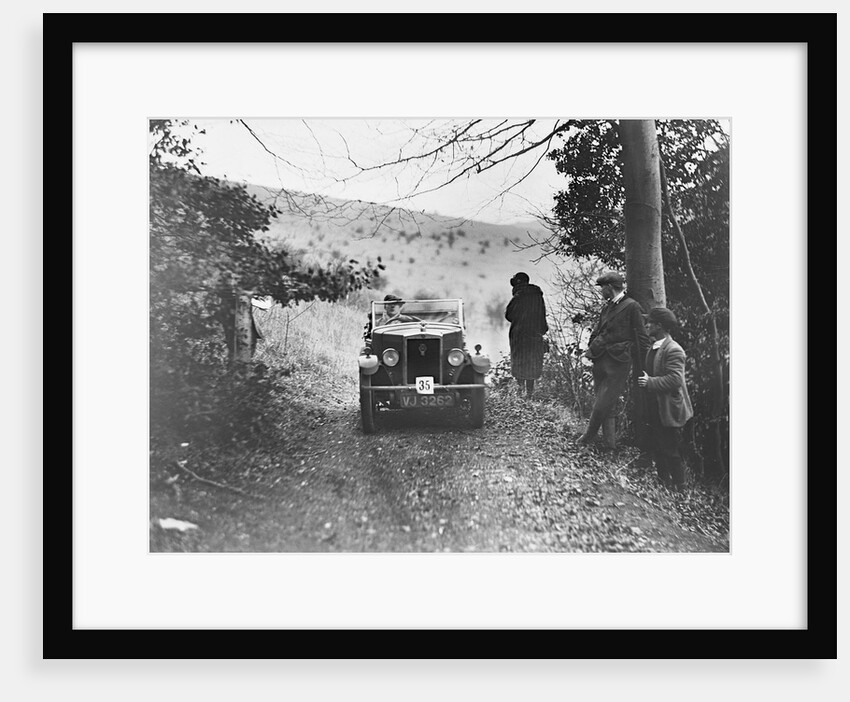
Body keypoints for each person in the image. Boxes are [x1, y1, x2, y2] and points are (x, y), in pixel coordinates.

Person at [576, 271, 650, 448]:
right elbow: (597, 330)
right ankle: (610, 446)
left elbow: (642, 338)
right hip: (600, 358)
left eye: (602, 287)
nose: (601, 291)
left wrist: (638, 359)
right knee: (605, 402)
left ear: (609, 287)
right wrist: (593, 345)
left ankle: (589, 436)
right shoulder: (607, 307)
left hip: (618, 361)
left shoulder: (632, 306)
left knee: (603, 400)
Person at [637, 307, 694, 491]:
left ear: (659, 326)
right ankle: (663, 482)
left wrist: (650, 382)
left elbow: (675, 379)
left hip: (669, 407)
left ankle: (680, 487)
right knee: (657, 444)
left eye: (650, 323)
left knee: (670, 448)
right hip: (656, 405)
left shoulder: (674, 350)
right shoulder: (655, 346)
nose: (646, 325)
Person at [504, 271, 549, 399]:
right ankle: (530, 394)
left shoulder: (518, 296)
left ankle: (519, 393)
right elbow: (542, 314)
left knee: (519, 361)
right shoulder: (538, 296)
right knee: (532, 363)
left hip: (519, 334)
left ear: (518, 282)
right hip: (534, 333)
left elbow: (509, 315)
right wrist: (542, 330)